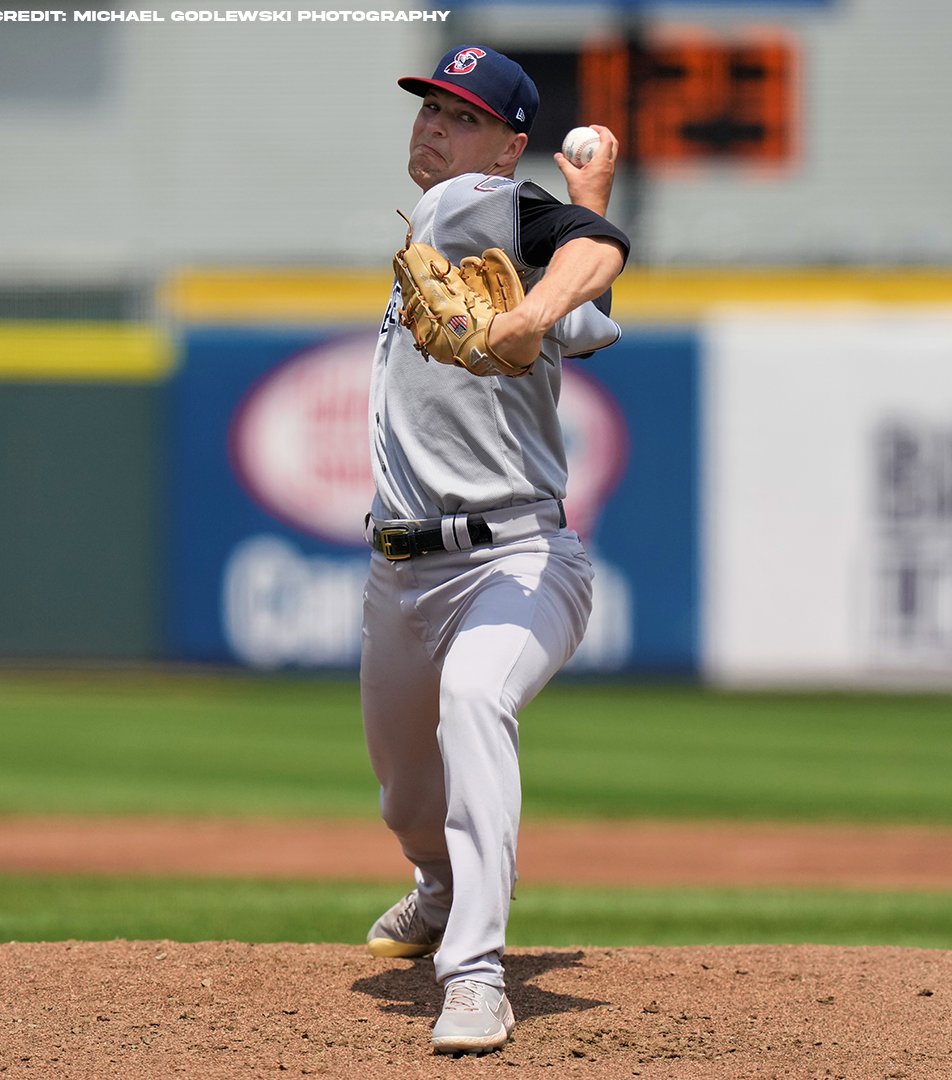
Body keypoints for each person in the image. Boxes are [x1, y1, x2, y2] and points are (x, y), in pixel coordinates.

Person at [360, 44, 630, 1055]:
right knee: (405, 797)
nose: (435, 125)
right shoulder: (464, 221)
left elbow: (594, 248)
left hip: (516, 560)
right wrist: (586, 206)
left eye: (464, 115)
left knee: (476, 699)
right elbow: (590, 263)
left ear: (508, 147)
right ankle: (436, 890)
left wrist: (529, 308)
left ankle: (473, 974)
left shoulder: (468, 202)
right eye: (431, 106)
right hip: (399, 573)